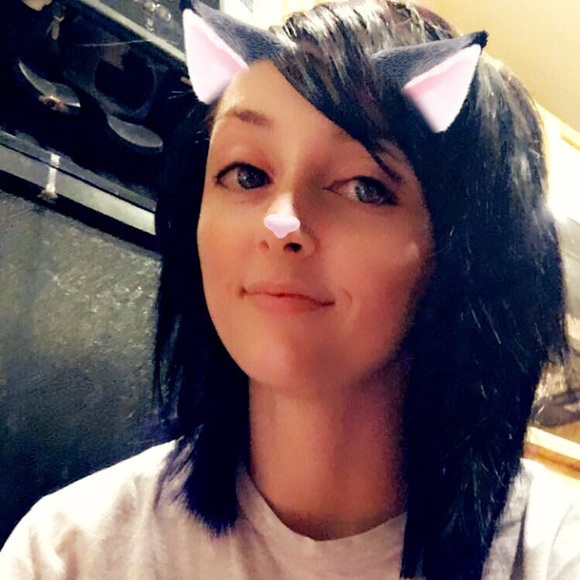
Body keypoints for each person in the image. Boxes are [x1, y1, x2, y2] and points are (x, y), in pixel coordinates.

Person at [1, 1, 579, 578]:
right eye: (246, 175)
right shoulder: (67, 553)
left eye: (363, 186)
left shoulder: (555, 553)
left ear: (466, 249)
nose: (281, 222)